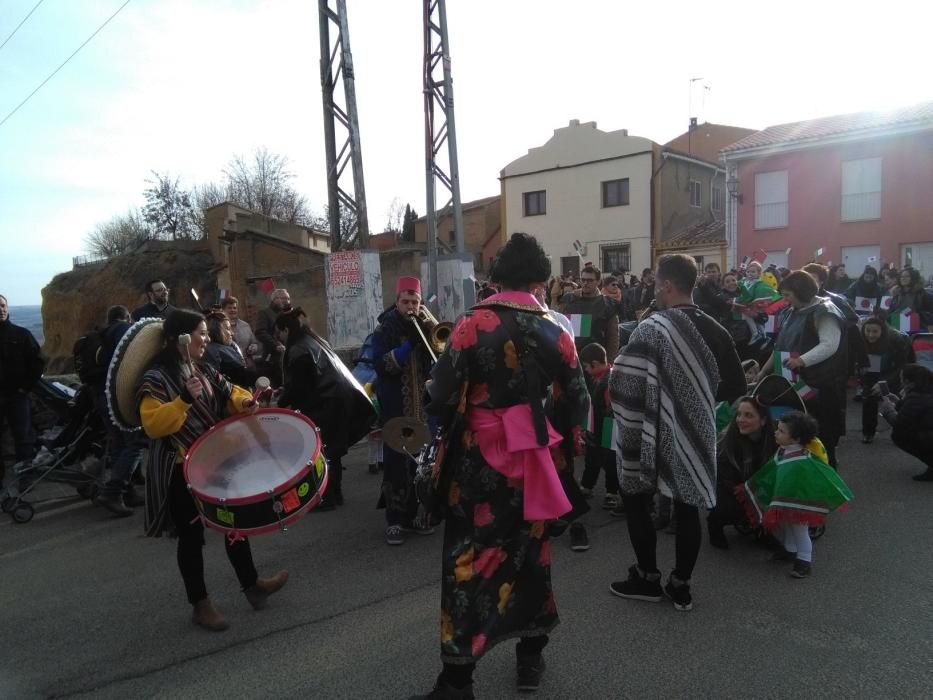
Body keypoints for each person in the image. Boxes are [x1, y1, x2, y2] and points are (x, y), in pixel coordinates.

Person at [411, 232, 589, 699]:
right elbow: (577, 399)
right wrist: (566, 452)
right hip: (536, 460)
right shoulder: (559, 327)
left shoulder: (471, 326)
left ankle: (458, 681)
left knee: (469, 562)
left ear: (497, 279)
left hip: (479, 466)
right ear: (539, 281)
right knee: (533, 556)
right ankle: (530, 659)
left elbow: (440, 396)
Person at [608, 254, 745, 611]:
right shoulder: (717, 329)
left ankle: (647, 577)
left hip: (648, 426)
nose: (655, 289)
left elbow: (624, 378)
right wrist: (696, 403)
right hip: (696, 431)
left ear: (666, 285)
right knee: (688, 506)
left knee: (635, 495)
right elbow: (735, 386)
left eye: (656, 283)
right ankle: (681, 585)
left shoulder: (651, 327)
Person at [137, 309, 287, 631]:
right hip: (179, 470)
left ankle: (253, 586)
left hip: (212, 460)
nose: (206, 339)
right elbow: (152, 424)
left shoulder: (202, 369)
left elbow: (229, 391)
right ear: (179, 338)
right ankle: (200, 605)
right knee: (191, 539)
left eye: (206, 333)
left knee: (235, 522)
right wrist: (182, 401)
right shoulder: (155, 378)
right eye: (200, 334)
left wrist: (245, 402)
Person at [275, 307, 375, 510]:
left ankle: (326, 497)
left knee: (321, 452)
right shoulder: (316, 340)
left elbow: (299, 387)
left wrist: (280, 401)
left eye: (279, 333)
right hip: (338, 399)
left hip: (324, 404)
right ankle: (335, 494)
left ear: (285, 330)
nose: (279, 338)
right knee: (332, 451)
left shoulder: (298, 350)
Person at [736, 411, 852, 578]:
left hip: (800, 503)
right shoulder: (783, 450)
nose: (776, 432)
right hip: (786, 498)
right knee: (786, 524)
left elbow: (806, 481)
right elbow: (773, 471)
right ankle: (790, 550)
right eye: (778, 429)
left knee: (799, 529)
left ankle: (804, 561)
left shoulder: (803, 459)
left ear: (796, 439)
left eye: (781, 431)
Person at [758, 271, 847, 469]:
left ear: (801, 292)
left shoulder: (824, 310)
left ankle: (826, 472)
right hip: (793, 382)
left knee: (820, 431)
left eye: (788, 294)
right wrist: (764, 371)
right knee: (795, 432)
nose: (785, 299)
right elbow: (780, 345)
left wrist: (802, 361)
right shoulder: (791, 311)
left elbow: (830, 344)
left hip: (818, 383)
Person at [372, 276, 435, 545]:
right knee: (397, 462)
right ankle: (394, 520)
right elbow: (383, 364)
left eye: (415, 302)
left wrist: (430, 338)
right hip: (396, 404)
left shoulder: (426, 324)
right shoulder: (385, 329)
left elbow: (439, 359)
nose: (410, 306)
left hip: (421, 405)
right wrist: (409, 343)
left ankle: (416, 515)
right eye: (405, 301)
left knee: (420, 462)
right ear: (397, 302)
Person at [90, 305, 145, 516]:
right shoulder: (123, 329)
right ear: (127, 317)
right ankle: (113, 493)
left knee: (119, 445)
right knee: (136, 444)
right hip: (119, 395)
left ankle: (126, 493)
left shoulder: (101, 334)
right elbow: (130, 361)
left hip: (102, 396)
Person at [707, 397, 776, 549]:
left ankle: (759, 527)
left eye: (748, 415)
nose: (740, 419)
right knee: (730, 507)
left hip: (754, 485)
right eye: (739, 414)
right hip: (729, 488)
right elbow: (726, 480)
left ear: (763, 420)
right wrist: (749, 496)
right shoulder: (728, 442)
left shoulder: (773, 439)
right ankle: (715, 522)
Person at [0, 294, 46, 485]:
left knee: (23, 437)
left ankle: (26, 476)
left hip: (17, 396)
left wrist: (24, 388)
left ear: (8, 308)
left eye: (3, 305)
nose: (1, 309)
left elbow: (37, 363)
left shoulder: (21, 334)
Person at [857, 318, 914, 444]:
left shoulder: (896, 341)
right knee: (868, 399)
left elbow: (901, 366)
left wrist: (885, 382)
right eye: (868, 331)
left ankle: (902, 433)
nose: (871, 335)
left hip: (895, 374)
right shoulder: (860, 341)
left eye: (875, 331)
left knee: (897, 403)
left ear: (882, 332)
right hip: (873, 373)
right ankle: (868, 432)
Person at [578, 343, 620, 510]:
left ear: (595, 364)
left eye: (587, 367)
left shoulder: (609, 379)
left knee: (610, 461)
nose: (586, 370)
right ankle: (587, 486)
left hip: (607, 426)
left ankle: (611, 492)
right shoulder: (598, 378)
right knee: (592, 459)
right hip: (596, 426)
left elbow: (611, 408)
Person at [878, 364, 933, 481]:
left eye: (901, 378)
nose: (900, 381)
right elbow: (914, 412)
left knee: (899, 435)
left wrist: (888, 409)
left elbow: (899, 423)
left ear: (908, 381)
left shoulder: (917, 396)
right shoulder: (925, 391)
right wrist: (899, 402)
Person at [558, 263, 620, 360]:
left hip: (596, 362)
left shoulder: (608, 304)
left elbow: (613, 338)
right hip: (572, 358)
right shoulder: (569, 300)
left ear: (598, 282)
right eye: (583, 280)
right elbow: (559, 329)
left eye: (590, 280)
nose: (585, 283)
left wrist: (609, 363)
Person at [202, 311, 257, 389]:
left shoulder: (228, 346)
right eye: (228, 329)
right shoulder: (213, 351)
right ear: (216, 331)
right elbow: (240, 377)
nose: (232, 333)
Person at [254, 288, 291, 386]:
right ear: (274, 299)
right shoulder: (265, 313)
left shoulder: (289, 315)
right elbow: (260, 332)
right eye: (283, 298)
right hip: (272, 358)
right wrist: (275, 345)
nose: (286, 301)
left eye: (288, 299)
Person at [888, 267, 933, 332]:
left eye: (907, 276)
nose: (903, 278)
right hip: (897, 327)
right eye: (901, 276)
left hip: (918, 328)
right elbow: (891, 311)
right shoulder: (897, 294)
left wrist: (930, 324)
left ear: (913, 278)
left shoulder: (922, 294)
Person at [220, 296, 261, 365]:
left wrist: (253, 347)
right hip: (228, 365)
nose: (233, 310)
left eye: (234, 308)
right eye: (229, 308)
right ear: (223, 310)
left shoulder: (245, 325)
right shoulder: (219, 326)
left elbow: (254, 343)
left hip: (247, 364)